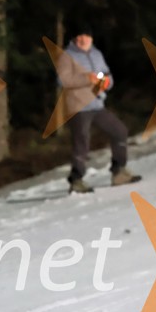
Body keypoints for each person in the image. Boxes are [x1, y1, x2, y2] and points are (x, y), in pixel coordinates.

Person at [58, 23, 141, 193]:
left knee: (119, 131)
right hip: (79, 107)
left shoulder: (97, 54)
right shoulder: (67, 56)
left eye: (86, 36)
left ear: (91, 38)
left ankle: (119, 172)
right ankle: (76, 180)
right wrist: (87, 79)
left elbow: (106, 73)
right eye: (79, 36)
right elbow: (63, 81)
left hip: (97, 104)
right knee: (81, 144)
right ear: (74, 39)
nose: (83, 39)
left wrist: (107, 82)